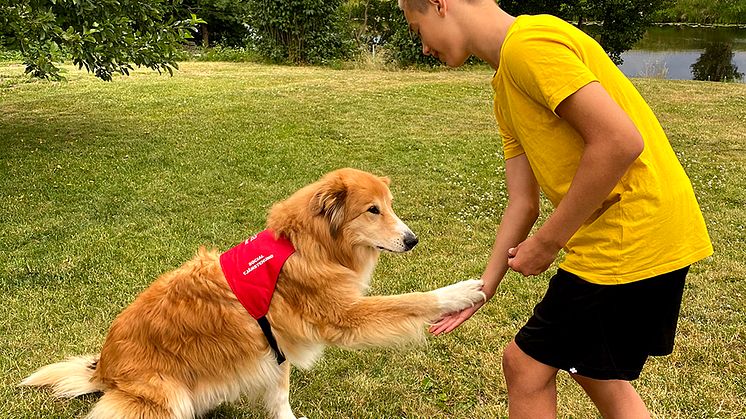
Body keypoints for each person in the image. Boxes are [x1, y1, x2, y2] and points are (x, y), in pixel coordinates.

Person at [397, 0, 714, 417]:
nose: (422, 48)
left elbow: (620, 141)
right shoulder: (505, 84)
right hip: (648, 230)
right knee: (592, 370)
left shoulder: (529, 46)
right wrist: (483, 288)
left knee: (525, 365)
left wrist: (548, 243)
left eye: (416, 29)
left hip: (631, 232)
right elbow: (522, 203)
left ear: (440, 4)